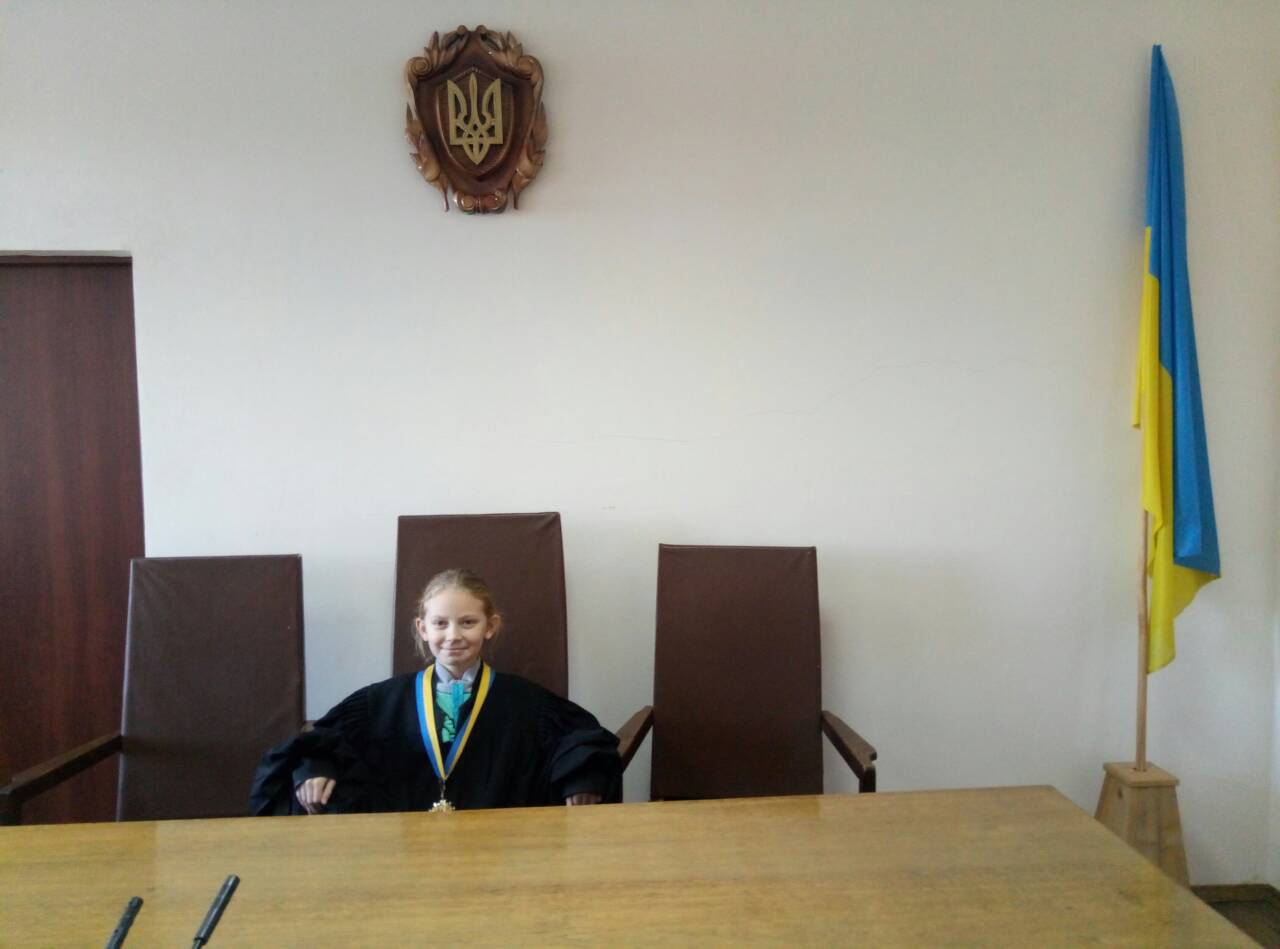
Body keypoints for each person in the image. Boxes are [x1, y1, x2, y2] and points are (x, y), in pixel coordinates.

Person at [251, 569, 621, 815]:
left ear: (490, 626)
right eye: (440, 623)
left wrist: (581, 779)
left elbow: (581, 741)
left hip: (500, 849)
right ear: (422, 628)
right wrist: (314, 770)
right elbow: (322, 743)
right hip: (402, 853)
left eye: (468, 622)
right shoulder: (379, 704)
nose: (453, 635)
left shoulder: (527, 704)